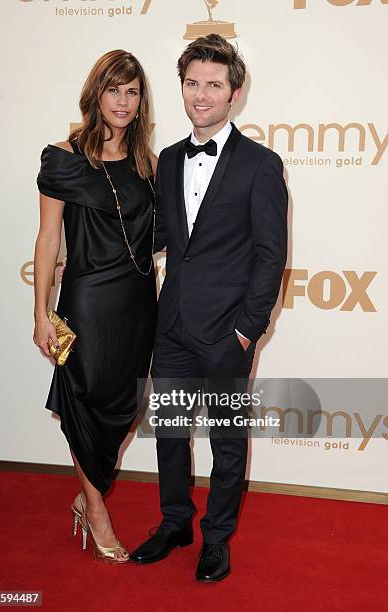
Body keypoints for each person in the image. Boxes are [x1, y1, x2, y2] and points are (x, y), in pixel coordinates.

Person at [130, 34, 288, 581]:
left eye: (214, 85)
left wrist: (247, 331)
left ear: (234, 93)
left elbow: (271, 257)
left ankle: (217, 539)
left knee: (225, 441)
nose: (201, 95)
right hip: (170, 326)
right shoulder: (169, 160)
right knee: (170, 433)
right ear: (182, 87)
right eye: (192, 83)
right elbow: (156, 236)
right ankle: (175, 523)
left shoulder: (261, 165)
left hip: (227, 333)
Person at [33, 50, 157, 563]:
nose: (122, 102)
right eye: (114, 90)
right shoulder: (64, 157)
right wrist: (40, 312)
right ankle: (96, 506)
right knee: (82, 402)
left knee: (123, 408)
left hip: (136, 302)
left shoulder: (149, 162)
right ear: (96, 94)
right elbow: (46, 239)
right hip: (85, 300)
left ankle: (88, 495)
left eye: (132, 92)